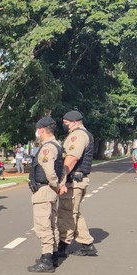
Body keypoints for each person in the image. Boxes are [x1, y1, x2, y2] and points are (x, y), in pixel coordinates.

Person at [56, 110, 98, 258]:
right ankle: (87, 245)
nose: (65, 126)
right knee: (74, 213)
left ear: (74, 122)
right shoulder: (84, 134)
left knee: (66, 213)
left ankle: (62, 246)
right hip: (77, 179)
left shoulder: (77, 135)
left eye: (66, 123)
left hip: (73, 181)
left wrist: (60, 178)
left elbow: (72, 158)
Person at [27, 117, 64, 273]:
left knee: (43, 226)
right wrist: (59, 185)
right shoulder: (58, 145)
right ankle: (53, 255)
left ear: (41, 130)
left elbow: (49, 171)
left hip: (44, 190)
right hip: (51, 190)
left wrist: (55, 184)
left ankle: (46, 260)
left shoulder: (47, 148)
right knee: (51, 224)